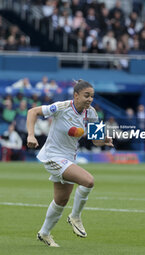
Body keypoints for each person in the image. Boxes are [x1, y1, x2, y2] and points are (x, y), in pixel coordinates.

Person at [26, 80, 113, 247]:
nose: (89, 99)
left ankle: (44, 233)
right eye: (86, 95)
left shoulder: (92, 113)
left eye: (92, 97)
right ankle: (75, 217)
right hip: (53, 156)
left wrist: (104, 140)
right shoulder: (62, 107)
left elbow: (95, 141)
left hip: (68, 158)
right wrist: (31, 135)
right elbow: (32, 112)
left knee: (61, 200)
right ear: (76, 95)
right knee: (88, 181)